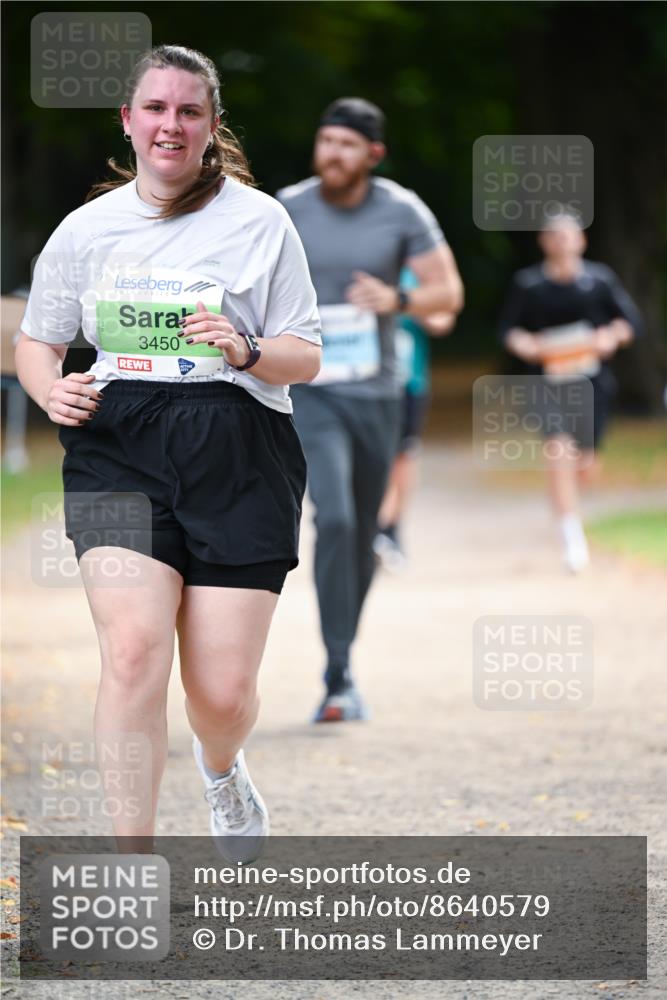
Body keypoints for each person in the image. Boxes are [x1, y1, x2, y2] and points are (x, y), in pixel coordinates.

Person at [15, 45, 321, 859]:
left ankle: (221, 769)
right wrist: (52, 391)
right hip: (120, 444)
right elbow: (37, 342)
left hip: (240, 447)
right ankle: (131, 860)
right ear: (129, 119)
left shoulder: (261, 223)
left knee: (221, 694)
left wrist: (247, 348)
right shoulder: (86, 229)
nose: (170, 124)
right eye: (155, 108)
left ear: (212, 125)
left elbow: (306, 354)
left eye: (189, 110)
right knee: (133, 649)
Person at [277, 98, 463, 722]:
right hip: (312, 391)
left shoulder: (401, 209)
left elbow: (448, 293)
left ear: (373, 154)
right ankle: (336, 671)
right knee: (333, 517)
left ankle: (342, 663)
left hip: (378, 391)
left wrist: (396, 298)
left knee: (361, 530)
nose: (333, 153)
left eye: (347, 144)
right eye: (326, 141)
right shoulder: (288, 208)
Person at [498, 207, 641, 572]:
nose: (561, 242)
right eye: (554, 236)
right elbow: (508, 330)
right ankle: (571, 537)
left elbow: (628, 323)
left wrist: (610, 336)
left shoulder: (599, 281)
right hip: (547, 383)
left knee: (585, 463)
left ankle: (572, 512)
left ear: (581, 240)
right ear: (543, 241)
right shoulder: (529, 285)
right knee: (558, 450)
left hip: (592, 384)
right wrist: (526, 344)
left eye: (568, 235)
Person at [374, 267, 456, 571]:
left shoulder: (417, 270)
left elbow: (442, 320)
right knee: (372, 455)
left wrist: (402, 302)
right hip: (366, 381)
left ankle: (391, 529)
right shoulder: (360, 259)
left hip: (410, 380)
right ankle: (372, 529)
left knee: (403, 457)